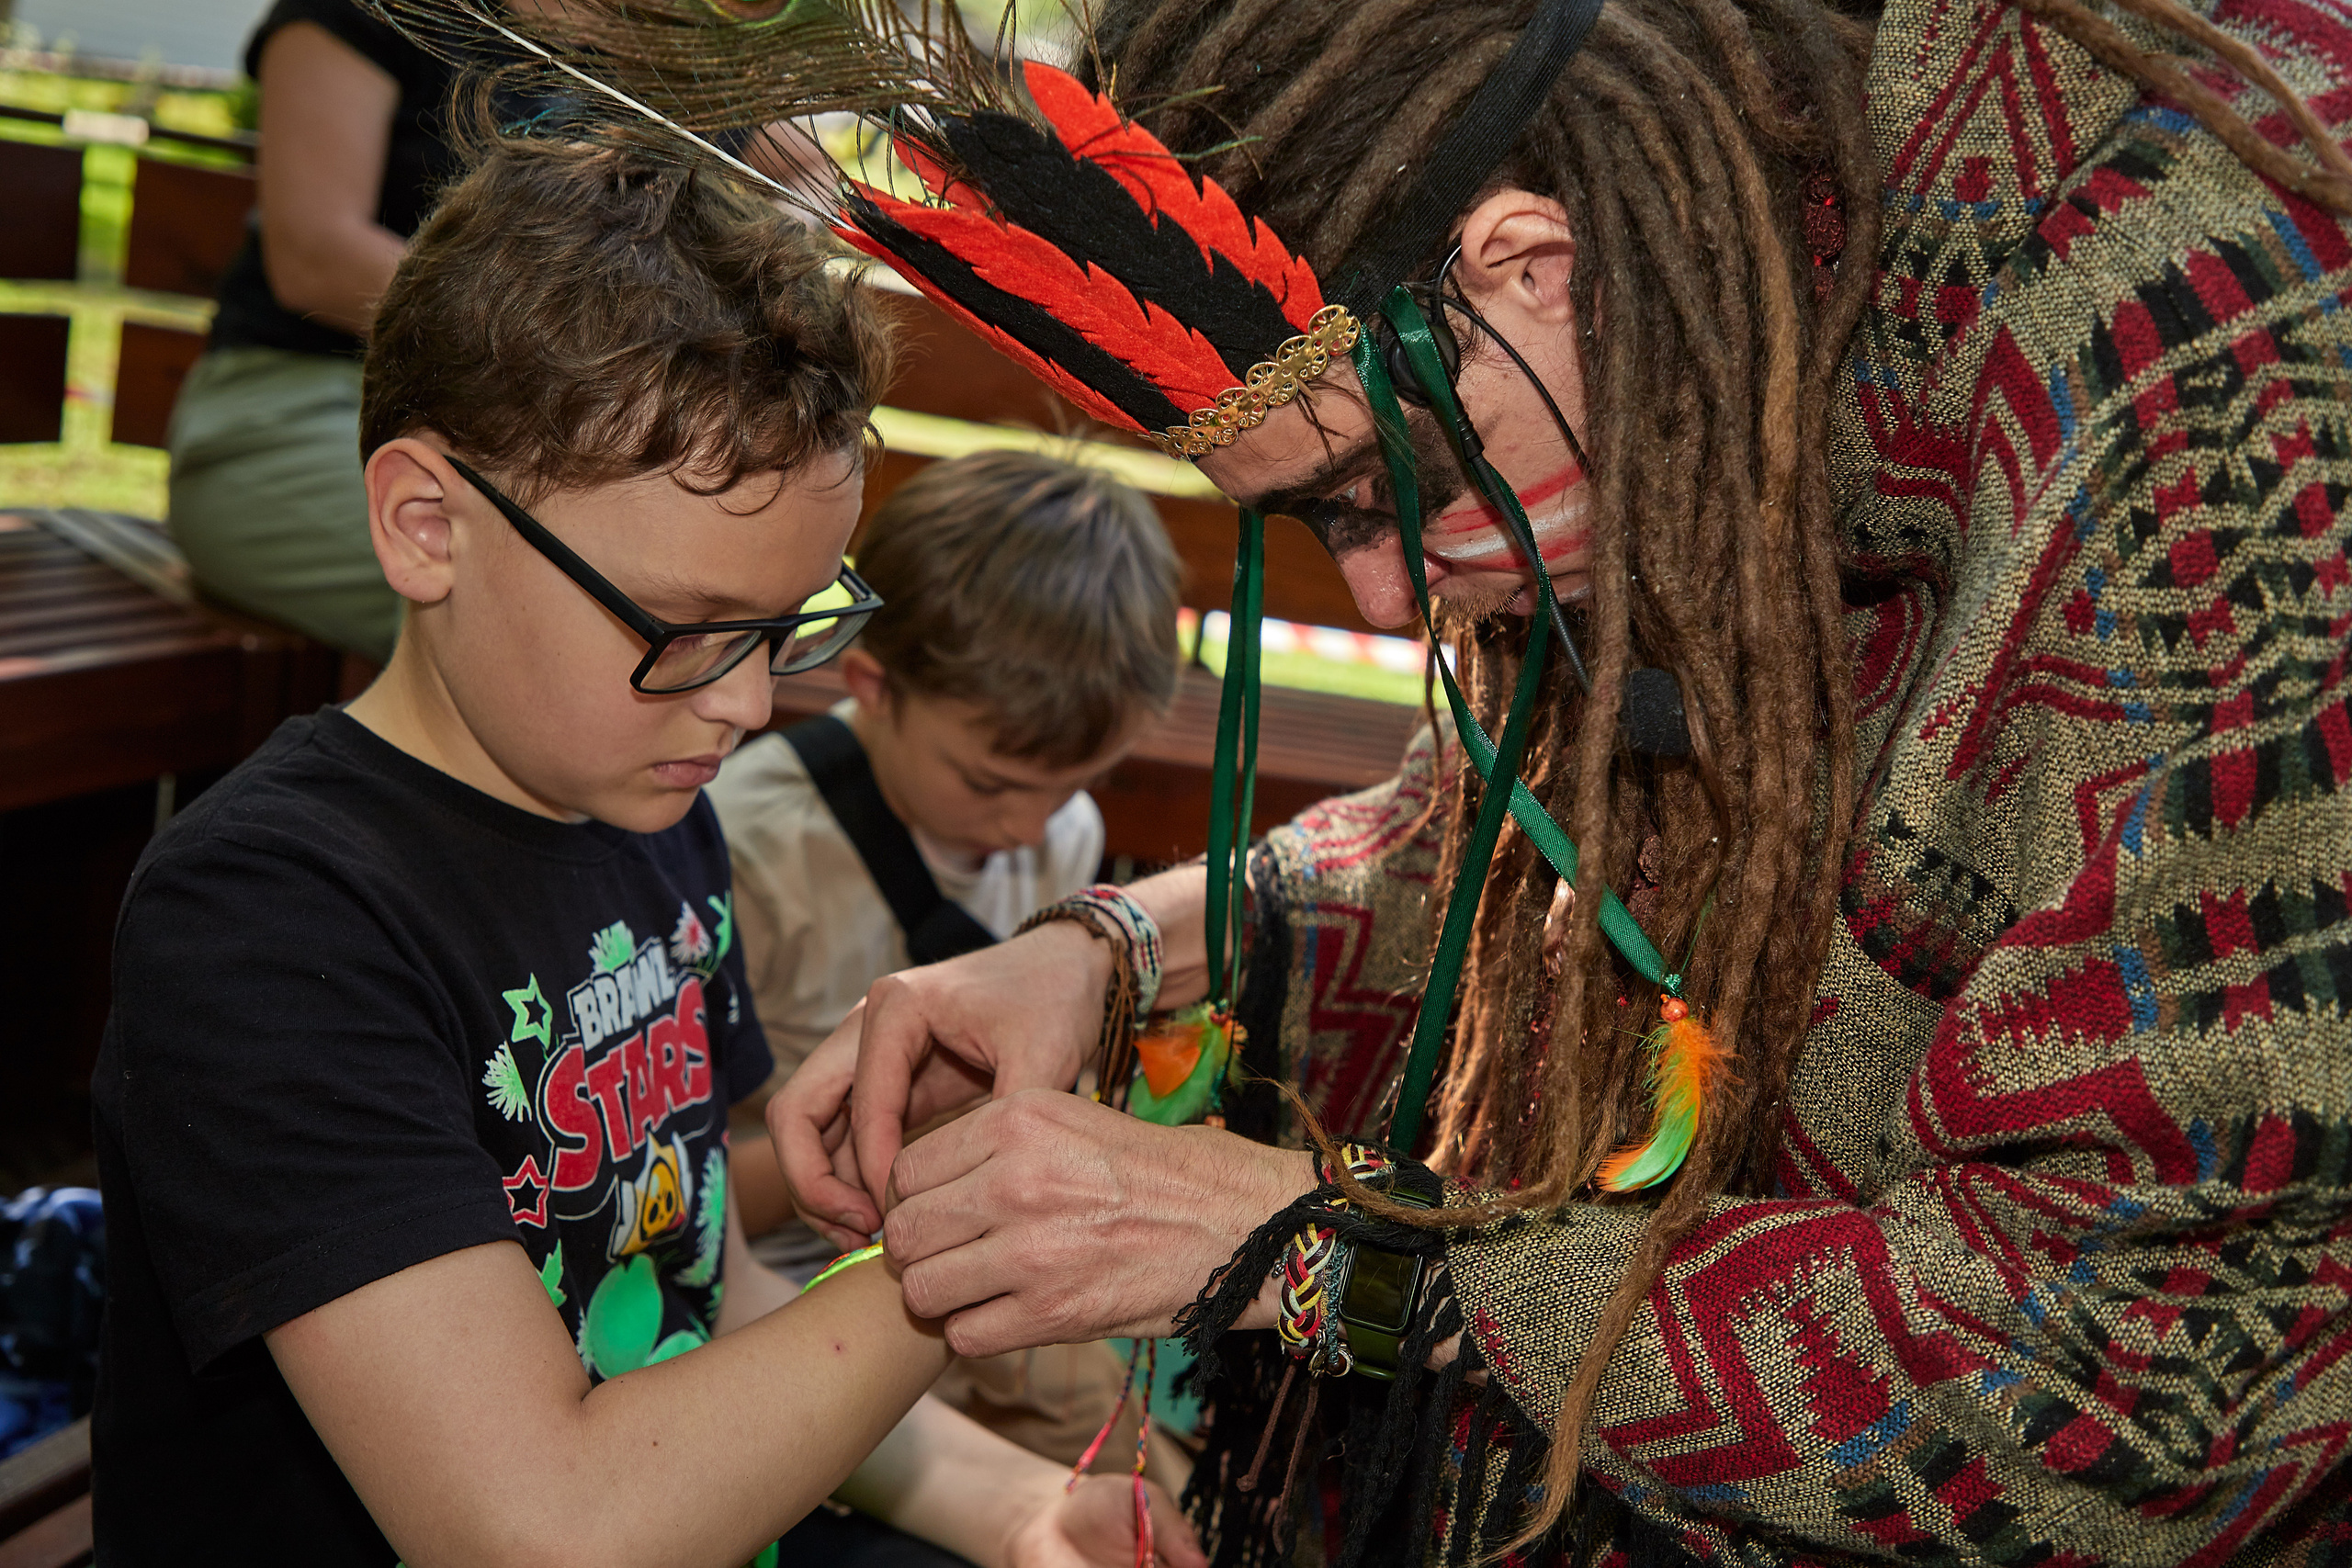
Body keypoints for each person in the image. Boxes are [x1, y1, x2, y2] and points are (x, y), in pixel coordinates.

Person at [463, 0, 2352, 1560]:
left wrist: (1308, 1257)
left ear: (1526, 261)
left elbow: (2154, 1358)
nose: (1379, 594)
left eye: (1373, 499)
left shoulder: (2211, 363)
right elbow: (1549, 820)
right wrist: (1116, 951)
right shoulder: (1715, 301)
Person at [90, 134, 1202, 1568]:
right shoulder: (267, 919)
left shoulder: (647, 816)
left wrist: (1015, 1508)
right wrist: (987, 1236)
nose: (747, 703)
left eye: (788, 625)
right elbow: (541, 1527)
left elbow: (704, 1283)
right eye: (687, 631)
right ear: (428, 525)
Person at [710, 446, 1187, 1481]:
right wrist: (896, 1135)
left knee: (1155, 1475)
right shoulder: (751, 851)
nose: (1025, 833)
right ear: (871, 683)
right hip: (776, 1302)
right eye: (990, 784)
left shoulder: (1060, 829)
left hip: (968, 1265)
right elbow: (685, 1198)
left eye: (1067, 789)